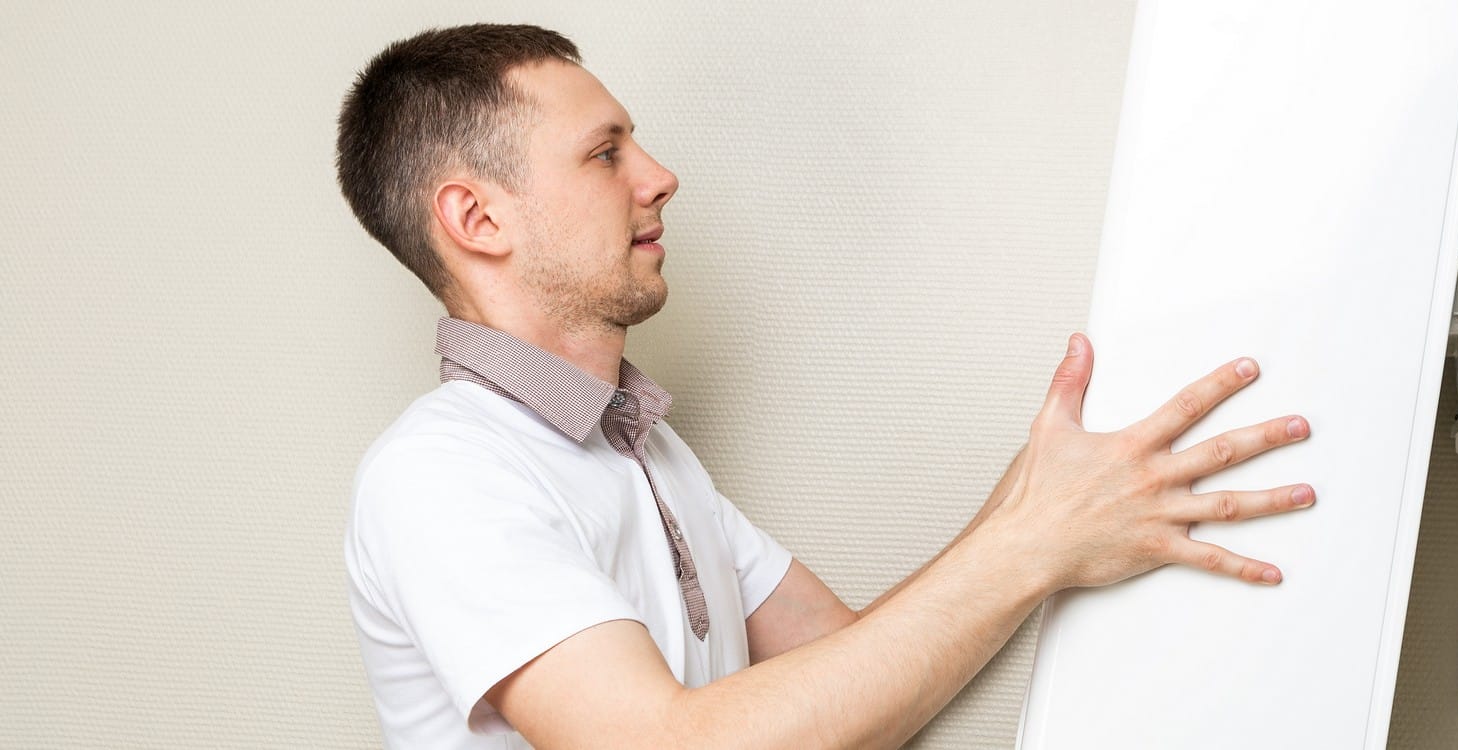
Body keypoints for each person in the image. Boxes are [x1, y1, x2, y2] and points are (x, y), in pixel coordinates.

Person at [336, 23, 1314, 749]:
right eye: (605, 153)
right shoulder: (442, 474)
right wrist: (1031, 541)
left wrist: (1034, 496)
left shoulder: (644, 450)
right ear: (477, 220)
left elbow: (851, 677)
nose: (660, 176)